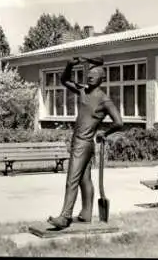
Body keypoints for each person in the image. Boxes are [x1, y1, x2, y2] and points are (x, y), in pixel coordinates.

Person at [47, 57, 123, 229]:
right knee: (84, 179)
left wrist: (106, 132)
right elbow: (64, 80)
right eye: (88, 74)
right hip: (84, 143)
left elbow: (119, 122)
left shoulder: (104, 100)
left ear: (102, 79)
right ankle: (87, 213)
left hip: (82, 143)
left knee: (72, 179)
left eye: (94, 74)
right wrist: (69, 65)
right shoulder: (83, 90)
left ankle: (65, 217)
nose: (90, 76)